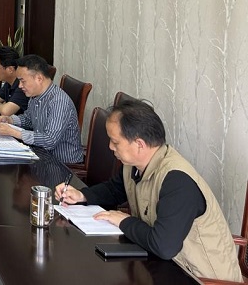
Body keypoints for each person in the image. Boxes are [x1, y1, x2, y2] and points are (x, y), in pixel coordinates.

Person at [55, 99, 241, 282]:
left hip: (200, 277)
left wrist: (124, 221)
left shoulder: (177, 181)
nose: (110, 147)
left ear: (139, 144)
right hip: (163, 267)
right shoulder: (135, 164)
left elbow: (164, 246)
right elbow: (115, 189)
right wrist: (81, 195)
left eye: (115, 142)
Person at [0, 54, 83, 164]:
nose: (20, 86)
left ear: (39, 78)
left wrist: (14, 132)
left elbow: (50, 140)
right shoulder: (35, 96)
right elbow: (29, 119)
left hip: (62, 164)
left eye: (23, 81)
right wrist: (10, 120)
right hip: (42, 156)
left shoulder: (58, 101)